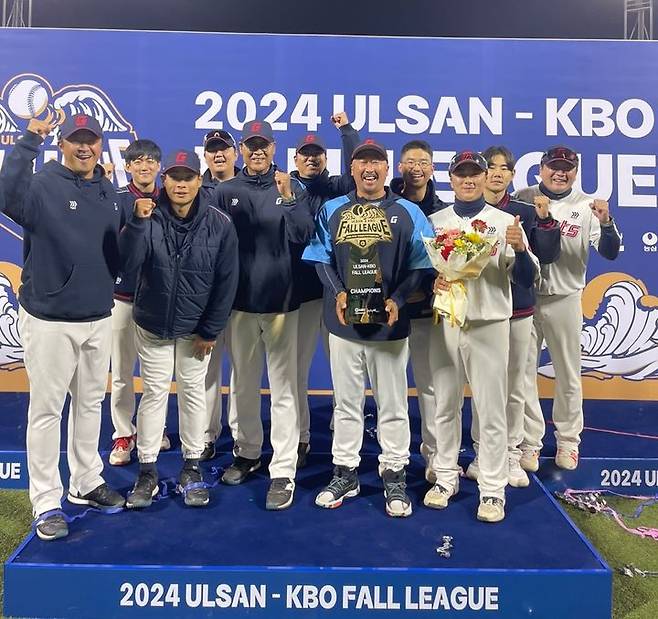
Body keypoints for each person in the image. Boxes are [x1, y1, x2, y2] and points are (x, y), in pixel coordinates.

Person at [0, 114, 125, 540]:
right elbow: (5, 194)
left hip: (97, 315)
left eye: (91, 140)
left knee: (90, 404)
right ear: (62, 143)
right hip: (50, 318)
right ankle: (46, 500)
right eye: (76, 141)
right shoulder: (42, 184)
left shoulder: (106, 187)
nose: (85, 147)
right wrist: (30, 138)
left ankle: (86, 481)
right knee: (47, 411)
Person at [303, 139, 434, 518]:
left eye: (376, 161)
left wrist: (398, 298)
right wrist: (339, 293)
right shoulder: (333, 209)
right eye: (362, 162)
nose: (369, 168)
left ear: (386, 168)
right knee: (346, 404)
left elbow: (421, 264)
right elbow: (320, 258)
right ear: (353, 169)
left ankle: (394, 474)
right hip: (344, 325)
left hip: (390, 327)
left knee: (392, 405)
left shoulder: (408, 212)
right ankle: (345, 472)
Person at [119, 149, 238, 509]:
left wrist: (211, 329)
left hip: (196, 329)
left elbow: (227, 281)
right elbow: (125, 263)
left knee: (192, 394)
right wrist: (137, 224)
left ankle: (192, 467)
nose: (181, 185)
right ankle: (148, 471)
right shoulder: (146, 215)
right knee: (154, 393)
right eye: (175, 178)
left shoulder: (219, 222)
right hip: (153, 323)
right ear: (164, 181)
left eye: (188, 178)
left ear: (199, 181)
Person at [424, 151, 537, 523]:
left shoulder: (505, 222)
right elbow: (424, 273)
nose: (468, 180)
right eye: (461, 174)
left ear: (485, 176)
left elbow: (525, 277)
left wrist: (520, 248)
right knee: (445, 403)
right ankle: (444, 476)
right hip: (448, 319)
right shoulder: (436, 220)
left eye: (475, 173)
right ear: (452, 178)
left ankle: (491, 488)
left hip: (489, 321)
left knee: (490, 408)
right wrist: (434, 281)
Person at [213, 119, 314, 510]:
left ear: (274, 148)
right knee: (243, 384)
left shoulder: (292, 186)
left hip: (282, 305)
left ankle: (284, 470)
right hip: (239, 305)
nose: (257, 152)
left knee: (285, 391)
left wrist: (289, 198)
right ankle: (249, 453)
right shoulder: (226, 190)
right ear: (242, 150)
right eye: (250, 145)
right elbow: (215, 244)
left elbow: (304, 235)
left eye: (263, 145)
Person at [513, 146, 621, 472]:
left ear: (575, 171)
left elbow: (610, 252)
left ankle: (568, 442)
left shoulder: (587, 205)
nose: (560, 173)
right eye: (553, 167)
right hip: (527, 297)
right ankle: (530, 443)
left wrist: (606, 223)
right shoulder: (522, 197)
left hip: (565, 297)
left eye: (567, 168)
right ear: (541, 168)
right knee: (521, 374)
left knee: (568, 374)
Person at [465, 145, 561, 488]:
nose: (496, 173)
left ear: (511, 175)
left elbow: (545, 257)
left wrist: (546, 222)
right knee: (483, 389)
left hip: (518, 311)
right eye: (490, 167)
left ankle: (510, 452)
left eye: (504, 168)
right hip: (478, 312)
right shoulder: (466, 213)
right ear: (480, 173)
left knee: (516, 387)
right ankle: (483, 452)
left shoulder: (524, 212)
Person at [289, 111, 360, 468]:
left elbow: (357, 164)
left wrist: (346, 131)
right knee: (297, 369)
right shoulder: (285, 186)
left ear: (326, 158)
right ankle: (300, 435)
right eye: (306, 153)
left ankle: (343, 426)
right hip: (300, 291)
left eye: (317, 153)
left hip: (336, 291)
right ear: (296, 159)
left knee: (342, 367)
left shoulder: (336, 185)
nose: (312, 158)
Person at [109, 139, 168, 466]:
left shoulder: (170, 198)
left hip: (157, 298)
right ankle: (123, 433)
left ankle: (151, 429)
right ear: (127, 166)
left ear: (159, 167)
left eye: (150, 161)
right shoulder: (116, 199)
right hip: (122, 298)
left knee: (155, 374)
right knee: (121, 372)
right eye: (137, 162)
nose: (144, 167)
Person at [390, 139, 446, 483]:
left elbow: (446, 264)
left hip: (426, 310)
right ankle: (392, 456)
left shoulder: (442, 212)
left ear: (432, 168)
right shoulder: (384, 204)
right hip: (390, 310)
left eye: (423, 162)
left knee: (429, 386)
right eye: (410, 161)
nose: (416, 167)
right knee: (391, 388)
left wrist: (424, 290)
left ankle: (435, 454)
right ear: (399, 166)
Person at [199, 129, 240, 462]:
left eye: (224, 149)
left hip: (242, 293)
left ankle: (241, 436)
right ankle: (205, 435)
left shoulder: (251, 185)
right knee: (206, 369)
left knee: (242, 368)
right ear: (206, 155)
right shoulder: (194, 189)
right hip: (206, 294)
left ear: (235, 153)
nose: (219, 154)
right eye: (213, 150)